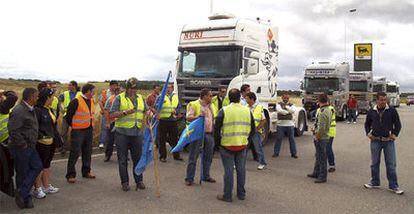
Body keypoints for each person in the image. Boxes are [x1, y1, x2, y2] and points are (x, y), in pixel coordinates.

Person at [215, 88, 255, 202]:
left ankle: (227, 195)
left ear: (229, 97)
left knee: (228, 171)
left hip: (226, 145)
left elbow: (216, 129)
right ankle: (241, 194)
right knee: (241, 170)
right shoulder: (247, 110)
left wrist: (218, 144)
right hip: (242, 145)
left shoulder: (224, 110)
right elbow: (253, 129)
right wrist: (247, 141)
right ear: (240, 97)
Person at [110, 77, 148, 191]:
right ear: (127, 88)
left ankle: (139, 180)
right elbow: (112, 114)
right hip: (122, 133)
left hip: (137, 133)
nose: (133, 90)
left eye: (135, 88)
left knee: (138, 159)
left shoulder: (141, 98)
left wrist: (151, 114)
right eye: (131, 88)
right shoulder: (119, 98)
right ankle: (125, 182)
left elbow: (146, 111)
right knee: (122, 159)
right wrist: (125, 112)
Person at [7, 88, 43, 209]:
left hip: (30, 146)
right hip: (21, 147)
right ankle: (25, 198)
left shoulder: (30, 109)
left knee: (37, 166)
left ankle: (22, 192)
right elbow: (13, 130)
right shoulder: (19, 111)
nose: (38, 98)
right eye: (36, 96)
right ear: (31, 97)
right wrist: (23, 144)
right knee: (22, 172)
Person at [364, 92, 403, 195]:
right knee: (374, 163)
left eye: (385, 100)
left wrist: (395, 134)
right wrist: (368, 133)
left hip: (388, 141)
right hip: (375, 140)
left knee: (391, 164)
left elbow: (398, 124)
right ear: (377, 100)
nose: (383, 102)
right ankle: (375, 181)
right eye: (381, 100)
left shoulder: (392, 110)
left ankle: (394, 185)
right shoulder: (372, 111)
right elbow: (367, 124)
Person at [32, 88, 62, 199]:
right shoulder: (37, 110)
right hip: (41, 142)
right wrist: (42, 136)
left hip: (51, 141)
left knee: (47, 164)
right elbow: (35, 127)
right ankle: (37, 188)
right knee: (39, 166)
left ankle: (46, 186)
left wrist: (57, 139)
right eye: (52, 97)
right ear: (47, 98)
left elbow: (52, 126)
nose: (53, 99)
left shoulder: (48, 109)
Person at [185, 88, 217, 185]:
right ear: (204, 96)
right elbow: (188, 117)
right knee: (193, 157)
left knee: (208, 157)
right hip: (197, 134)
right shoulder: (194, 104)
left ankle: (206, 175)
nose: (211, 97)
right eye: (210, 96)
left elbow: (214, 118)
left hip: (209, 133)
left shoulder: (212, 106)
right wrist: (198, 117)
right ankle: (189, 178)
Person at [65, 83, 96, 183]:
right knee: (75, 152)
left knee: (87, 152)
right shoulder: (76, 101)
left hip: (88, 129)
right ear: (87, 91)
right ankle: (70, 174)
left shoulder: (91, 101)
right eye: (92, 91)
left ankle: (86, 171)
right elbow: (68, 116)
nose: (94, 93)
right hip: (78, 130)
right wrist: (74, 125)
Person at [307, 93, 332, 183]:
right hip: (323, 136)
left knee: (321, 157)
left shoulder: (322, 111)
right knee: (318, 156)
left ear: (319, 100)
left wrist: (317, 135)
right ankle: (316, 172)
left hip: (321, 137)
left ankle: (322, 176)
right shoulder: (327, 109)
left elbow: (322, 126)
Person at [0, 89, 18, 197]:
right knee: (6, 167)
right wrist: (4, 92)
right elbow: (13, 97)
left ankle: (9, 188)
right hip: (3, 142)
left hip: (4, 141)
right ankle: (8, 187)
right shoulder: (2, 107)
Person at [158, 83, 182, 162]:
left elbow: (179, 107)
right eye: (167, 88)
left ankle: (176, 155)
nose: (168, 89)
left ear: (172, 88)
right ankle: (162, 156)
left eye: (170, 88)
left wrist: (177, 112)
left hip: (173, 120)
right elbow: (156, 106)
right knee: (162, 139)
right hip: (163, 120)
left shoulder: (175, 97)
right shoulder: (161, 97)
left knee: (174, 139)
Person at [245, 92, 267, 170]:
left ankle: (262, 163)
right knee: (244, 148)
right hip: (247, 131)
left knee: (258, 148)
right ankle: (240, 163)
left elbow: (263, 120)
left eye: (247, 98)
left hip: (255, 132)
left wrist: (257, 129)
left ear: (252, 99)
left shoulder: (259, 107)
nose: (245, 100)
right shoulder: (245, 107)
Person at [58, 80, 81, 154]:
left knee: (77, 133)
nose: (68, 86)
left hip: (77, 116)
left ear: (74, 86)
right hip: (66, 116)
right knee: (63, 132)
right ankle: (63, 147)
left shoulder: (80, 94)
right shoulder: (65, 94)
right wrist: (61, 109)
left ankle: (75, 147)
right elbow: (59, 101)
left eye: (70, 85)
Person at [273, 94, 298, 158]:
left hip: (290, 124)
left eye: (287, 98)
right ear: (282, 98)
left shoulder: (292, 105)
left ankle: (294, 153)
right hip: (280, 124)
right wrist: (288, 112)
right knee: (279, 139)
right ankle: (276, 153)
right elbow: (280, 111)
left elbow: (293, 111)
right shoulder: (278, 104)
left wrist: (286, 107)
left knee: (292, 139)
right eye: (284, 98)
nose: (286, 99)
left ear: (289, 98)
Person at [98, 80, 119, 149]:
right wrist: (103, 110)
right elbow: (100, 102)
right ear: (110, 86)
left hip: (115, 114)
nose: (115, 87)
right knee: (105, 128)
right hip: (106, 113)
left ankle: (113, 142)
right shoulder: (105, 93)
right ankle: (102, 142)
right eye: (114, 85)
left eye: (116, 85)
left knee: (115, 128)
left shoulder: (118, 93)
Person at [103, 86, 121, 162]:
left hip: (121, 122)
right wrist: (107, 122)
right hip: (112, 122)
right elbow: (106, 110)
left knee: (121, 141)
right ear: (116, 92)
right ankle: (108, 155)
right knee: (110, 140)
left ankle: (122, 156)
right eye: (119, 92)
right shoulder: (110, 99)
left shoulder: (124, 100)